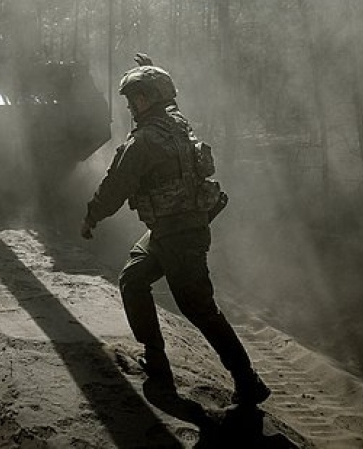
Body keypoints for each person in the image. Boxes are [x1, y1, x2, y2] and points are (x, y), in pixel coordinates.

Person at [80, 53, 271, 407]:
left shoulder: (144, 142)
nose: (129, 106)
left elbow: (116, 185)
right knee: (133, 280)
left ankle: (248, 381)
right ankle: (156, 362)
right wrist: (150, 71)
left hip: (178, 235)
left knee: (200, 309)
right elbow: (167, 104)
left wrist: (92, 216)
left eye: (133, 98)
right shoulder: (177, 124)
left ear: (147, 98)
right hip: (174, 230)